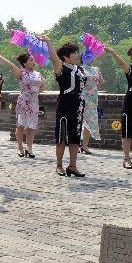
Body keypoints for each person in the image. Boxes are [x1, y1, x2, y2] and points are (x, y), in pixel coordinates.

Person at [42, 37, 86, 177]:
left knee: (75, 137)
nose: (76, 55)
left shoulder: (79, 69)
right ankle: (59, 165)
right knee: (62, 136)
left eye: (76, 52)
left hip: (78, 106)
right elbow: (54, 59)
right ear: (66, 56)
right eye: (73, 53)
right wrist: (49, 42)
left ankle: (72, 165)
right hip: (65, 105)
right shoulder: (61, 68)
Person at [106, 45, 132, 169]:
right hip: (131, 104)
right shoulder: (131, 69)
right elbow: (120, 62)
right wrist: (113, 52)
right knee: (128, 132)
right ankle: (126, 159)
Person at [0, 52, 42, 158]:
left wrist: (34, 93)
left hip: (34, 102)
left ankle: (29, 148)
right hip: (23, 102)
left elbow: (42, 86)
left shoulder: (38, 74)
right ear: (25, 63)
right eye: (31, 60)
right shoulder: (21, 72)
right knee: (21, 125)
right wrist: (1, 57)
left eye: (33, 59)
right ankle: (20, 147)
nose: (33, 61)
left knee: (31, 126)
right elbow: (11, 65)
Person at [80, 64, 102, 154]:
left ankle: (85, 145)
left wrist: (97, 82)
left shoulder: (96, 68)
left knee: (89, 121)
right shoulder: (80, 69)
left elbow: (100, 83)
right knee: (79, 121)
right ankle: (76, 144)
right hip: (82, 97)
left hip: (92, 98)